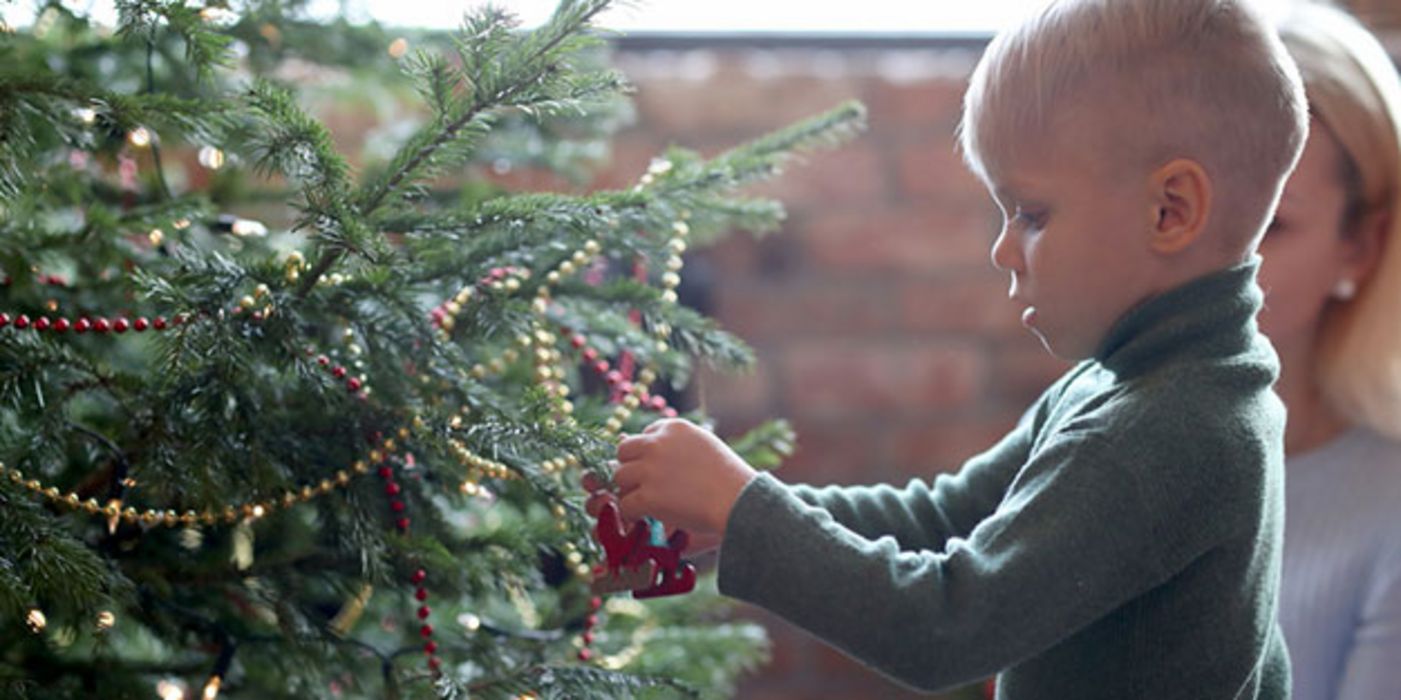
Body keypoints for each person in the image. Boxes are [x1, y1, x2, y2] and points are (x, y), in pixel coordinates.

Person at [590, 0, 1307, 696]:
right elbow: (942, 517)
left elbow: (945, 627)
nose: (1002, 249)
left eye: (1030, 214)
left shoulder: (1170, 429)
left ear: (1169, 210)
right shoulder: (1130, 382)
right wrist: (723, 514)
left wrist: (745, 508)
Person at [1263, 5, 1401, 699]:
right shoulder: (1090, 445)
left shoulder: (1389, 507)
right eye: (1179, 205)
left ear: (1360, 244)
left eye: (1267, 225)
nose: (1210, 256)